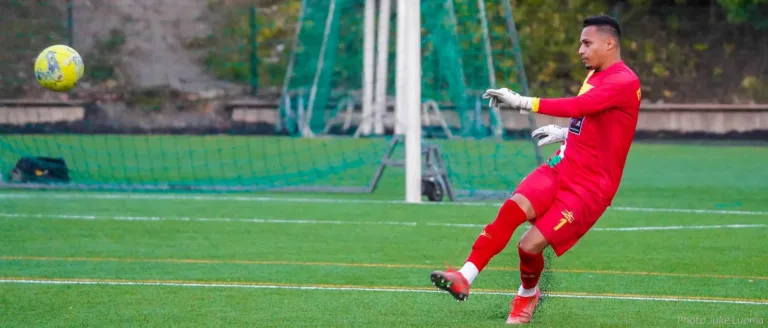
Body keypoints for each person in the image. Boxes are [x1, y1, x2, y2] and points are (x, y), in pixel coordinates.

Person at [429, 15, 641, 324]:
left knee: (528, 247)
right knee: (511, 210)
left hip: (589, 190)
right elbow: (599, 120)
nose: (580, 50)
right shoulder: (596, 73)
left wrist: (522, 102)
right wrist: (569, 134)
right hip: (563, 165)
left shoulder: (625, 81)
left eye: (586, 43)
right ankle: (464, 276)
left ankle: (528, 294)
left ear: (609, 44)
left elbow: (580, 106)